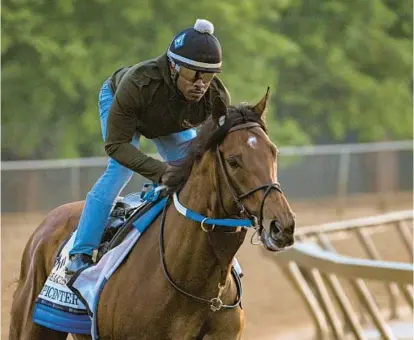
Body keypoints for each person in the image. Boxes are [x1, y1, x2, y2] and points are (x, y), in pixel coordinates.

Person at [65, 19, 231, 275]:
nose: (201, 84)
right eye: (194, 75)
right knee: (119, 171)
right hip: (122, 102)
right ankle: (82, 251)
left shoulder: (216, 97)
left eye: (208, 76)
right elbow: (117, 145)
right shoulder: (137, 82)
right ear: (174, 66)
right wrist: (160, 171)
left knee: (194, 166)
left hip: (165, 119)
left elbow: (213, 151)